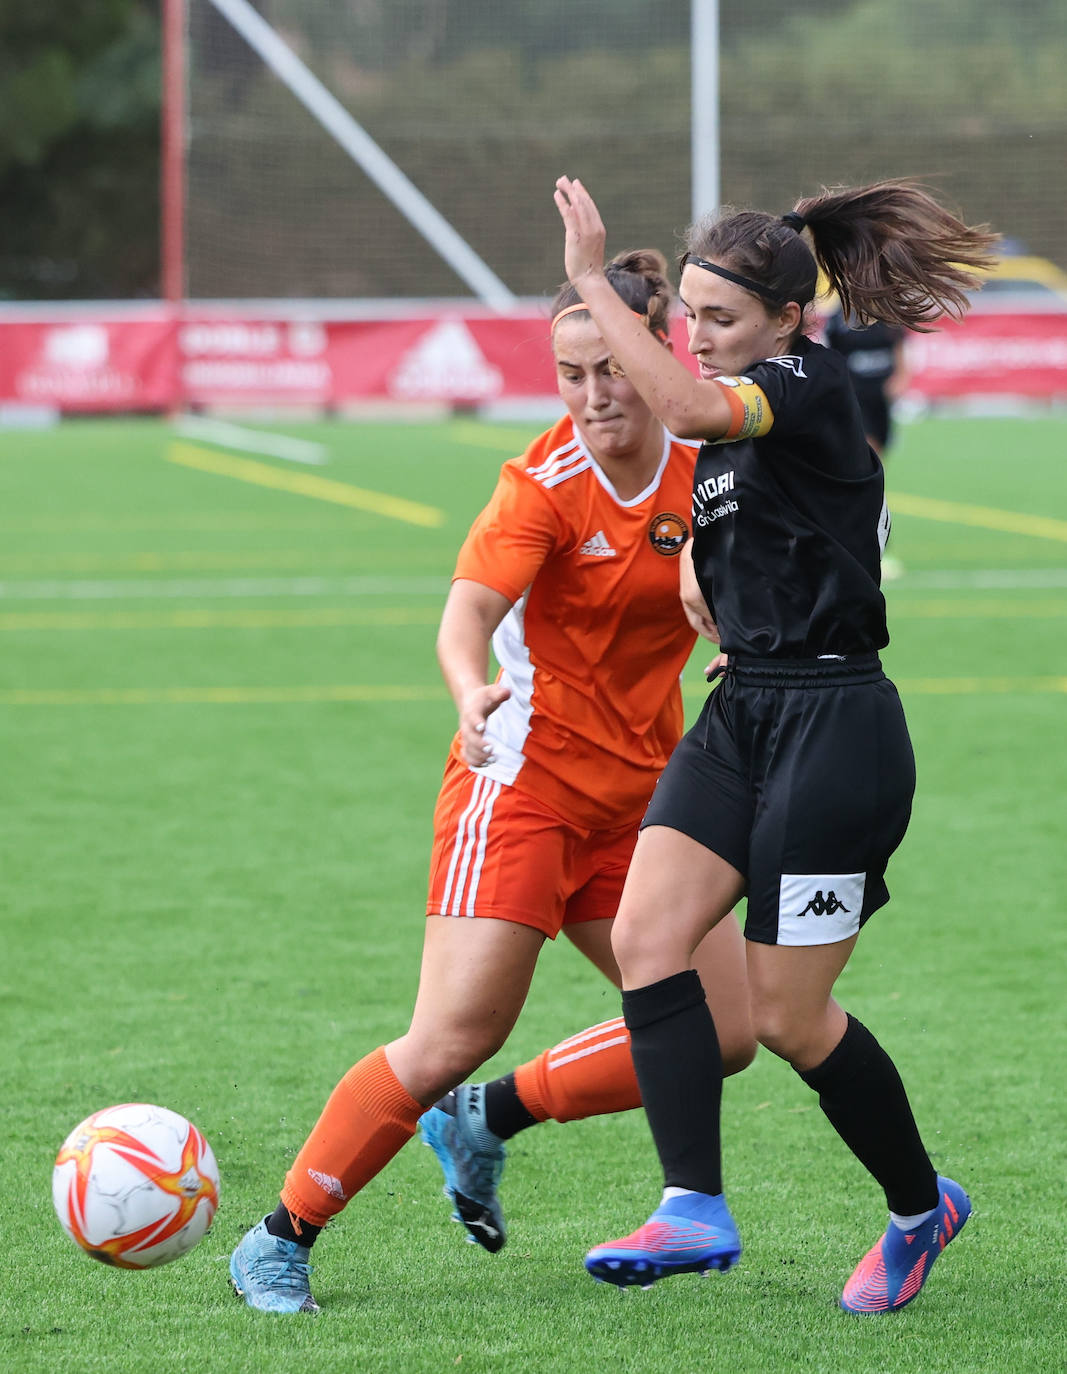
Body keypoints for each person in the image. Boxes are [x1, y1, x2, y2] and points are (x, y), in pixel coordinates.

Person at [228, 249, 756, 1314]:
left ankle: (488, 1118)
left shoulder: (708, 466)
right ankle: (281, 1234)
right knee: (451, 1033)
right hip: (520, 787)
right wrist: (468, 691)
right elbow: (465, 613)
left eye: (610, 366)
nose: (594, 394)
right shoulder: (541, 486)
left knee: (723, 1030)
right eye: (570, 374)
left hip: (650, 797)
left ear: (658, 350)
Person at [552, 175, 996, 1313]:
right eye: (689, 317)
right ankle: (691, 1207)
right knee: (648, 935)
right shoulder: (746, 406)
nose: (697, 339)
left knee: (788, 1019)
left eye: (718, 321)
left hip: (835, 730)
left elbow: (698, 415)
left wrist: (591, 287)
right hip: (742, 710)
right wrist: (715, 600)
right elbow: (737, 536)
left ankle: (916, 1208)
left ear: (788, 320)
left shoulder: (799, 382)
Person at [822, 304, 910, 579]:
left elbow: (899, 351)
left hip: (881, 404)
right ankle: (876, 551)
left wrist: (900, 378)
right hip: (855, 403)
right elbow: (828, 357)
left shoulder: (889, 314)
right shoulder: (838, 318)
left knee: (873, 474)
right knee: (871, 472)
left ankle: (856, 544)